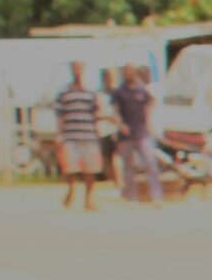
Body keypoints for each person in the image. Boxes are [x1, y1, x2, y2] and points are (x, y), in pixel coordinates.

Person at [53, 63, 104, 211]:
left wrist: (97, 131)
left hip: (88, 135)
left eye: (80, 68)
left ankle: (88, 199)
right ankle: (71, 188)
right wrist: (59, 135)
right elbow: (60, 115)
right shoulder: (64, 92)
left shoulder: (90, 92)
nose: (77, 71)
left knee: (91, 169)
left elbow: (96, 113)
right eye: (75, 68)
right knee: (69, 167)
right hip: (70, 134)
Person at [111, 64, 163, 206]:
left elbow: (151, 103)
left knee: (150, 163)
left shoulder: (142, 90)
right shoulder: (119, 92)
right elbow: (114, 111)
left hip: (141, 132)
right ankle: (131, 197)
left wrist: (148, 120)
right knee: (128, 166)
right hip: (126, 134)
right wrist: (121, 125)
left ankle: (156, 195)